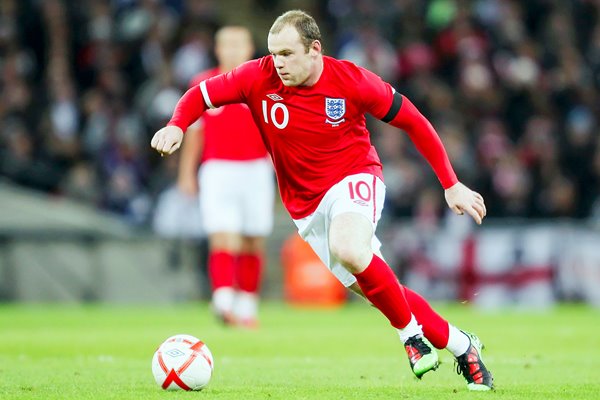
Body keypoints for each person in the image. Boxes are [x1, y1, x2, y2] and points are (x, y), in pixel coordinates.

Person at [151, 10, 493, 391]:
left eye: (287, 53)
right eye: (273, 53)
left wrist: (450, 183)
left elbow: (413, 120)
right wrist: (176, 125)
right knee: (379, 288)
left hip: (355, 177)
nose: (278, 63)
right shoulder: (256, 76)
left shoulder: (351, 80)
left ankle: (411, 337)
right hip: (307, 207)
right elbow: (200, 94)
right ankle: (464, 347)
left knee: (348, 247)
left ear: (315, 50)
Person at [177, 26, 275, 328]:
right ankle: (222, 302)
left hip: (257, 169)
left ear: (249, 49)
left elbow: (276, 133)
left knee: (253, 237)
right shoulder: (203, 84)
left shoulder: (264, 83)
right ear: (217, 50)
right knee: (223, 233)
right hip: (218, 169)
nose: (232, 50)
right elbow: (195, 134)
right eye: (226, 45)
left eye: (238, 44)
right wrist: (186, 173)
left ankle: (247, 306)